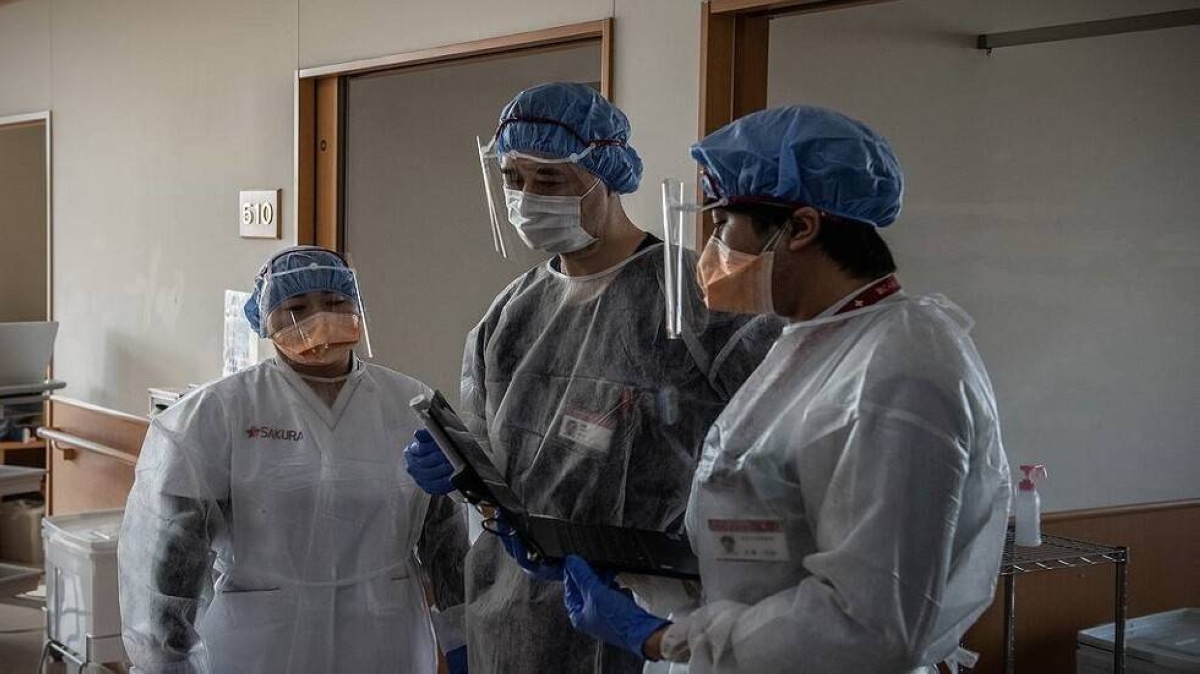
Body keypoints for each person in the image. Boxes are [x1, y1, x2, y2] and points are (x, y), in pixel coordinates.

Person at [559, 106, 1012, 674]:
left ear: (801, 227)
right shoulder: (812, 340)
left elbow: (867, 627)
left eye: (725, 224)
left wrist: (661, 640)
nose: (713, 249)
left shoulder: (900, 372)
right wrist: (644, 574)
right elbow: (771, 538)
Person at [405, 82, 781, 674]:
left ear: (607, 174)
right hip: (511, 609)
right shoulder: (508, 316)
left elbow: (781, 444)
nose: (528, 198)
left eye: (550, 179)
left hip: (650, 613)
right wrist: (457, 465)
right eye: (513, 178)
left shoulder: (696, 300)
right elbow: (496, 462)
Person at [118, 246, 469, 674]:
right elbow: (174, 557)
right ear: (264, 320)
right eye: (296, 308)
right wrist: (165, 658)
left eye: (335, 302)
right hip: (259, 645)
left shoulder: (409, 404)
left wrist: (463, 634)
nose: (319, 318)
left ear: (358, 307)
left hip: (384, 635)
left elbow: (448, 542)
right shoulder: (220, 411)